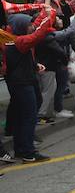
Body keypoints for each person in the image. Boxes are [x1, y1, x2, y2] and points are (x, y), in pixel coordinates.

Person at [2, 9, 56, 163]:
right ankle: (28, 152)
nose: (32, 26)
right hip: (22, 83)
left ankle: (21, 148)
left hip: (20, 81)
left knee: (21, 116)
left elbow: (36, 26)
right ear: (21, 26)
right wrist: (50, 14)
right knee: (29, 116)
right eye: (28, 24)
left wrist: (34, 65)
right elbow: (39, 33)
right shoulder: (19, 41)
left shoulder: (13, 39)